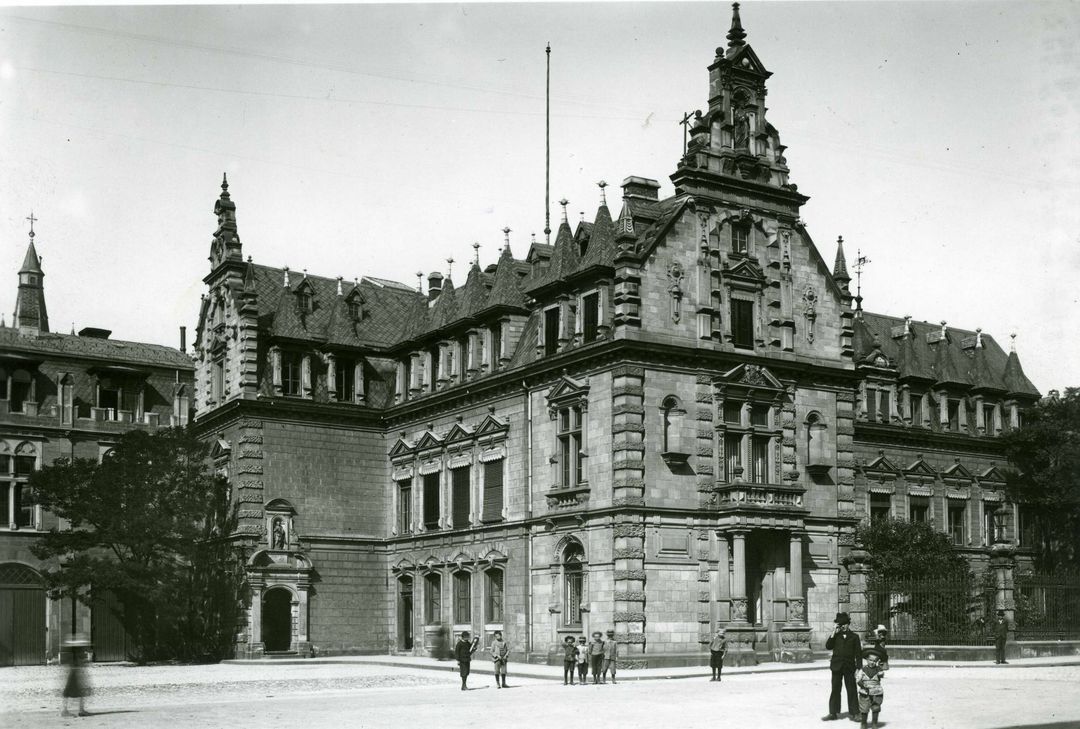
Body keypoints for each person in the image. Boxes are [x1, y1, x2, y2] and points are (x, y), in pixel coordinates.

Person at [824, 612, 862, 721]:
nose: (843, 626)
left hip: (849, 667)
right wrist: (833, 632)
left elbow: (858, 654)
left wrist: (859, 668)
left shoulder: (855, 637)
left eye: (845, 623)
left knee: (851, 689)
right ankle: (833, 712)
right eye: (840, 624)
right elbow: (828, 646)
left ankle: (855, 713)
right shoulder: (835, 636)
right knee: (835, 689)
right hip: (836, 666)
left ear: (848, 624)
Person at [854, 648, 886, 729]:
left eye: (875, 661)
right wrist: (862, 685)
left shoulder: (878, 669)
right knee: (864, 708)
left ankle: (874, 723)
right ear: (867, 660)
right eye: (871, 660)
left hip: (876, 691)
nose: (872, 662)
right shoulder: (863, 670)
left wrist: (880, 669)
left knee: (876, 707)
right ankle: (863, 723)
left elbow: (881, 674)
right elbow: (858, 679)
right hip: (865, 691)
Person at [61, 638, 90, 717]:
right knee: (75, 691)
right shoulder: (75, 653)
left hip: (73, 672)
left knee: (72, 691)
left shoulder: (72, 653)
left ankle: (78, 709)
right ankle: (68, 710)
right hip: (74, 673)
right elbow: (77, 663)